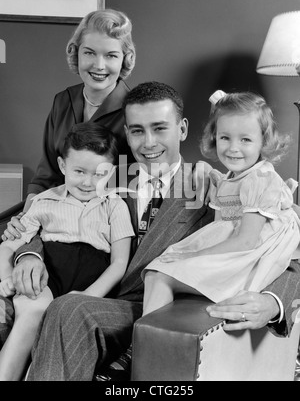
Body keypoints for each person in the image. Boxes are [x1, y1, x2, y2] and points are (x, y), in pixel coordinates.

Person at [4, 82, 300, 381]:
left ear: (182, 129)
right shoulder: (100, 177)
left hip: (162, 309)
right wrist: (29, 254)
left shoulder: (216, 185)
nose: (148, 143)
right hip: (92, 293)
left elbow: (282, 244)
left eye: (160, 128)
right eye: (136, 130)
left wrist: (272, 302)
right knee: (63, 308)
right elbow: (49, 210)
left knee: (68, 308)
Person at [141, 90, 300, 318]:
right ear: (215, 138)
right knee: (157, 271)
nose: (233, 148)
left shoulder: (260, 179)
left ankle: (139, 347)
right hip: (231, 250)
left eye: (245, 139)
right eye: (225, 138)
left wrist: (196, 256)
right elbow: (217, 228)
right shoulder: (228, 179)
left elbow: (246, 240)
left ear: (263, 141)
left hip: (247, 259)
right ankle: (146, 340)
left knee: (160, 274)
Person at [0, 123, 134, 381]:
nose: (88, 182)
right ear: (62, 166)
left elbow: (119, 263)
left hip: (89, 286)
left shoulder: (114, 205)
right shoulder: (44, 201)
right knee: (33, 311)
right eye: (79, 171)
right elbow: (8, 244)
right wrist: (7, 277)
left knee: (62, 326)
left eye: (99, 174)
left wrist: (88, 295)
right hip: (47, 281)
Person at [1, 7, 136, 241]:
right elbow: (46, 175)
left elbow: (136, 188)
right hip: (51, 205)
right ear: (76, 54)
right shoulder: (62, 101)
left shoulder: (135, 110)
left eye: (111, 55)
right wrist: (26, 223)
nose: (99, 65)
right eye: (90, 53)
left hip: (102, 224)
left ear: (125, 58)